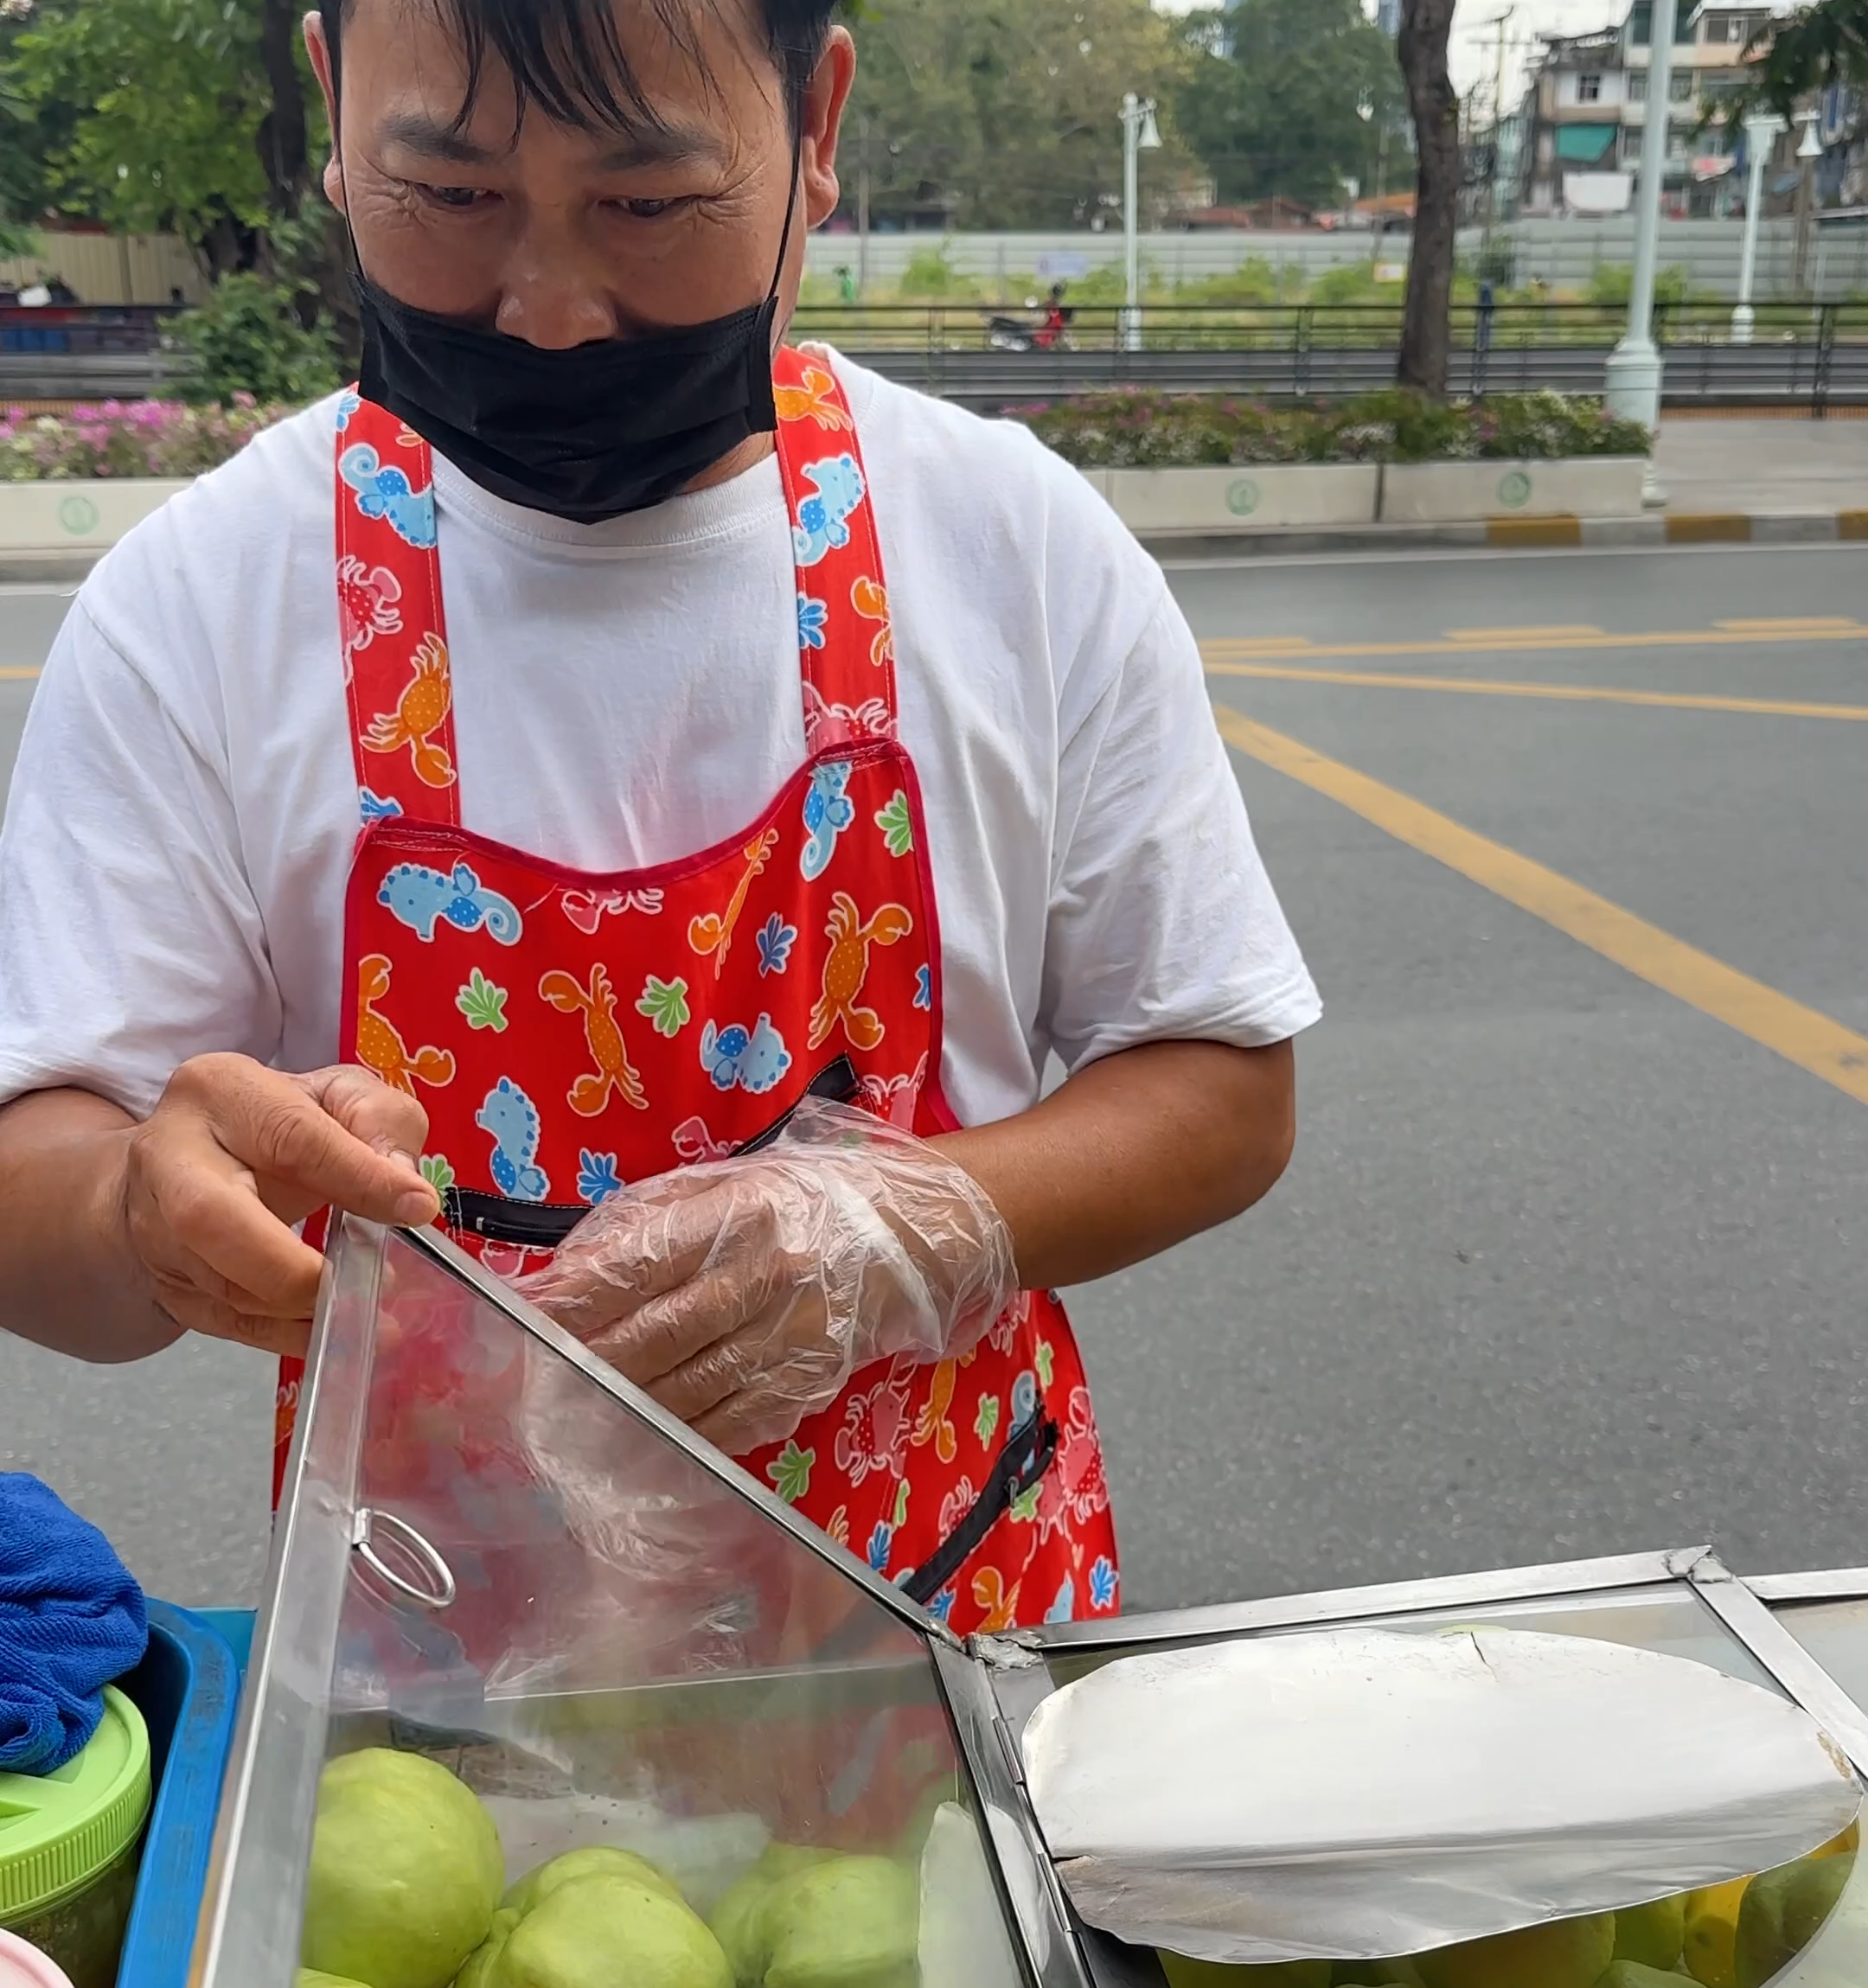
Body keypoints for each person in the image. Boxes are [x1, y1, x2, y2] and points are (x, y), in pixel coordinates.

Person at [0, 0, 1318, 1635]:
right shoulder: (198, 607)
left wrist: (911, 1222)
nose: (549, 313)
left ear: (814, 130)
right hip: (444, 1703)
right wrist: (141, 1206)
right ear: (337, 113)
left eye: (646, 205)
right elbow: (34, 1170)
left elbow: (1223, 1084)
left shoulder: (1010, 547)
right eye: (452, 196)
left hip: (946, 1631)